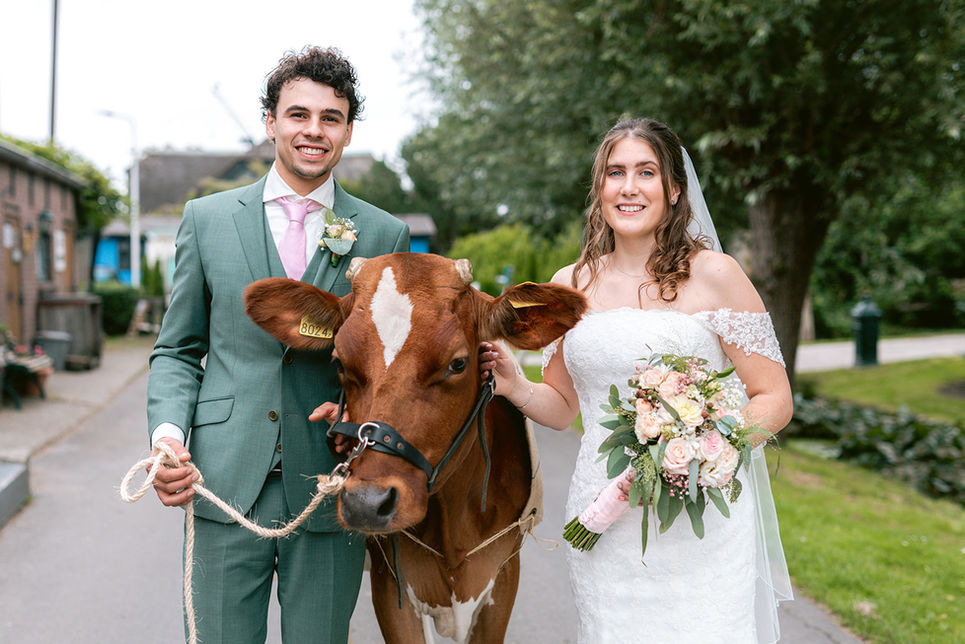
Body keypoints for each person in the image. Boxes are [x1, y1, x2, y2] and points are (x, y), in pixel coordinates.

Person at [482, 117, 794, 643]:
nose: (628, 187)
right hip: (604, 514)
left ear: (674, 189)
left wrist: (702, 451)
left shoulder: (717, 274)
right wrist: (515, 384)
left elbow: (775, 397)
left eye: (645, 172)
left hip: (700, 518)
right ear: (599, 188)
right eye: (615, 173)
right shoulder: (570, 283)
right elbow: (561, 407)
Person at [145, 46, 409, 643]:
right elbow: (177, 350)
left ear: (346, 131)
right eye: (298, 114)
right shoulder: (206, 219)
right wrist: (166, 439)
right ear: (270, 122)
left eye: (331, 117)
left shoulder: (384, 232)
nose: (313, 130)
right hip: (220, 481)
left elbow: (391, 367)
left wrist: (356, 412)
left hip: (330, 482)